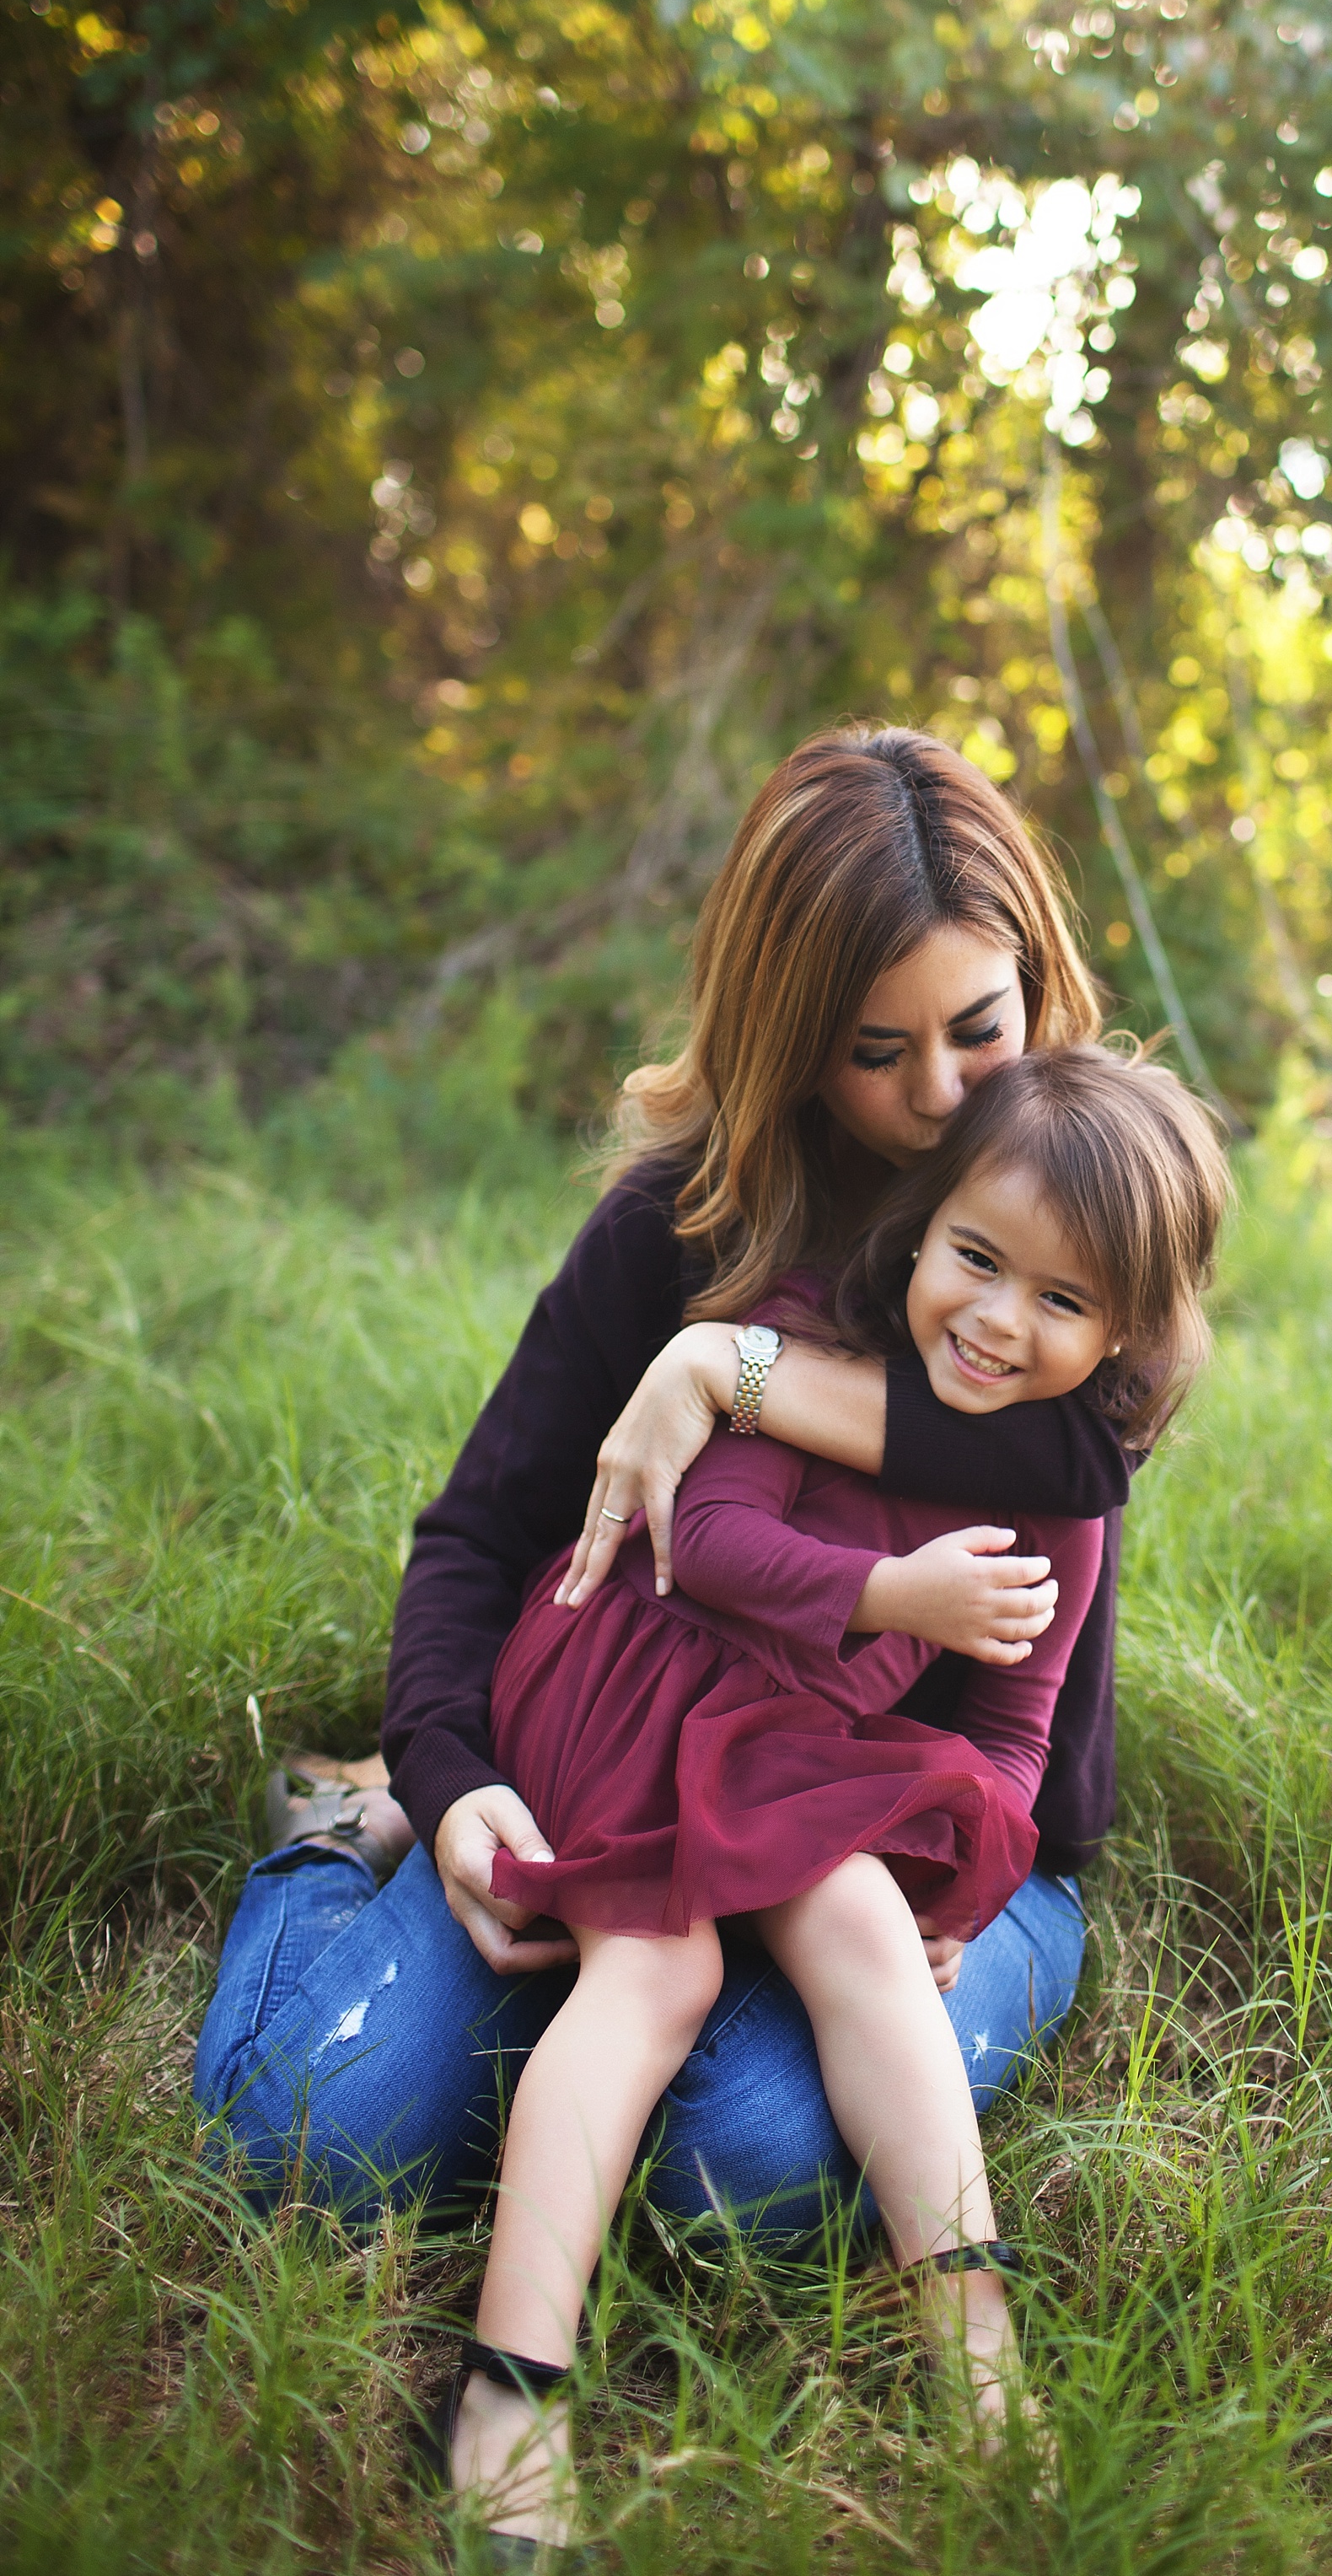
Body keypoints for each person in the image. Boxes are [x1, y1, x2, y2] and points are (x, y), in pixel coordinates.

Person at [194, 729, 1135, 2235]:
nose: (945, 1094)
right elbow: (479, 1530)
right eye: (875, 1050)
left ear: (1036, 981)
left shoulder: (1088, 1205)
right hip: (642, 1779)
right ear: (792, 1035)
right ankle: (341, 1831)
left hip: (926, 1848)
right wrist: (450, 1778)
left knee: (739, 2177)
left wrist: (723, 1371)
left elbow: (1081, 1450)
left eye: (979, 1027)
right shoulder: (679, 1223)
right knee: (301, 2146)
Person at [440, 1046, 1227, 2550]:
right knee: (654, 1973)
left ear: (1124, 1328)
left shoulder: (1063, 1489)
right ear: (924, 1226)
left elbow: (1010, 1725)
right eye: (977, 1260)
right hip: (627, 1664)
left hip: (777, 1723)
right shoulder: (801, 1342)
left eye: (1058, 1302)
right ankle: (509, 2386)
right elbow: (710, 1539)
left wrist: (969, 1884)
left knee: (869, 1923)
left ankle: (971, 2334)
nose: (996, 1320)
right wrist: (897, 1593)